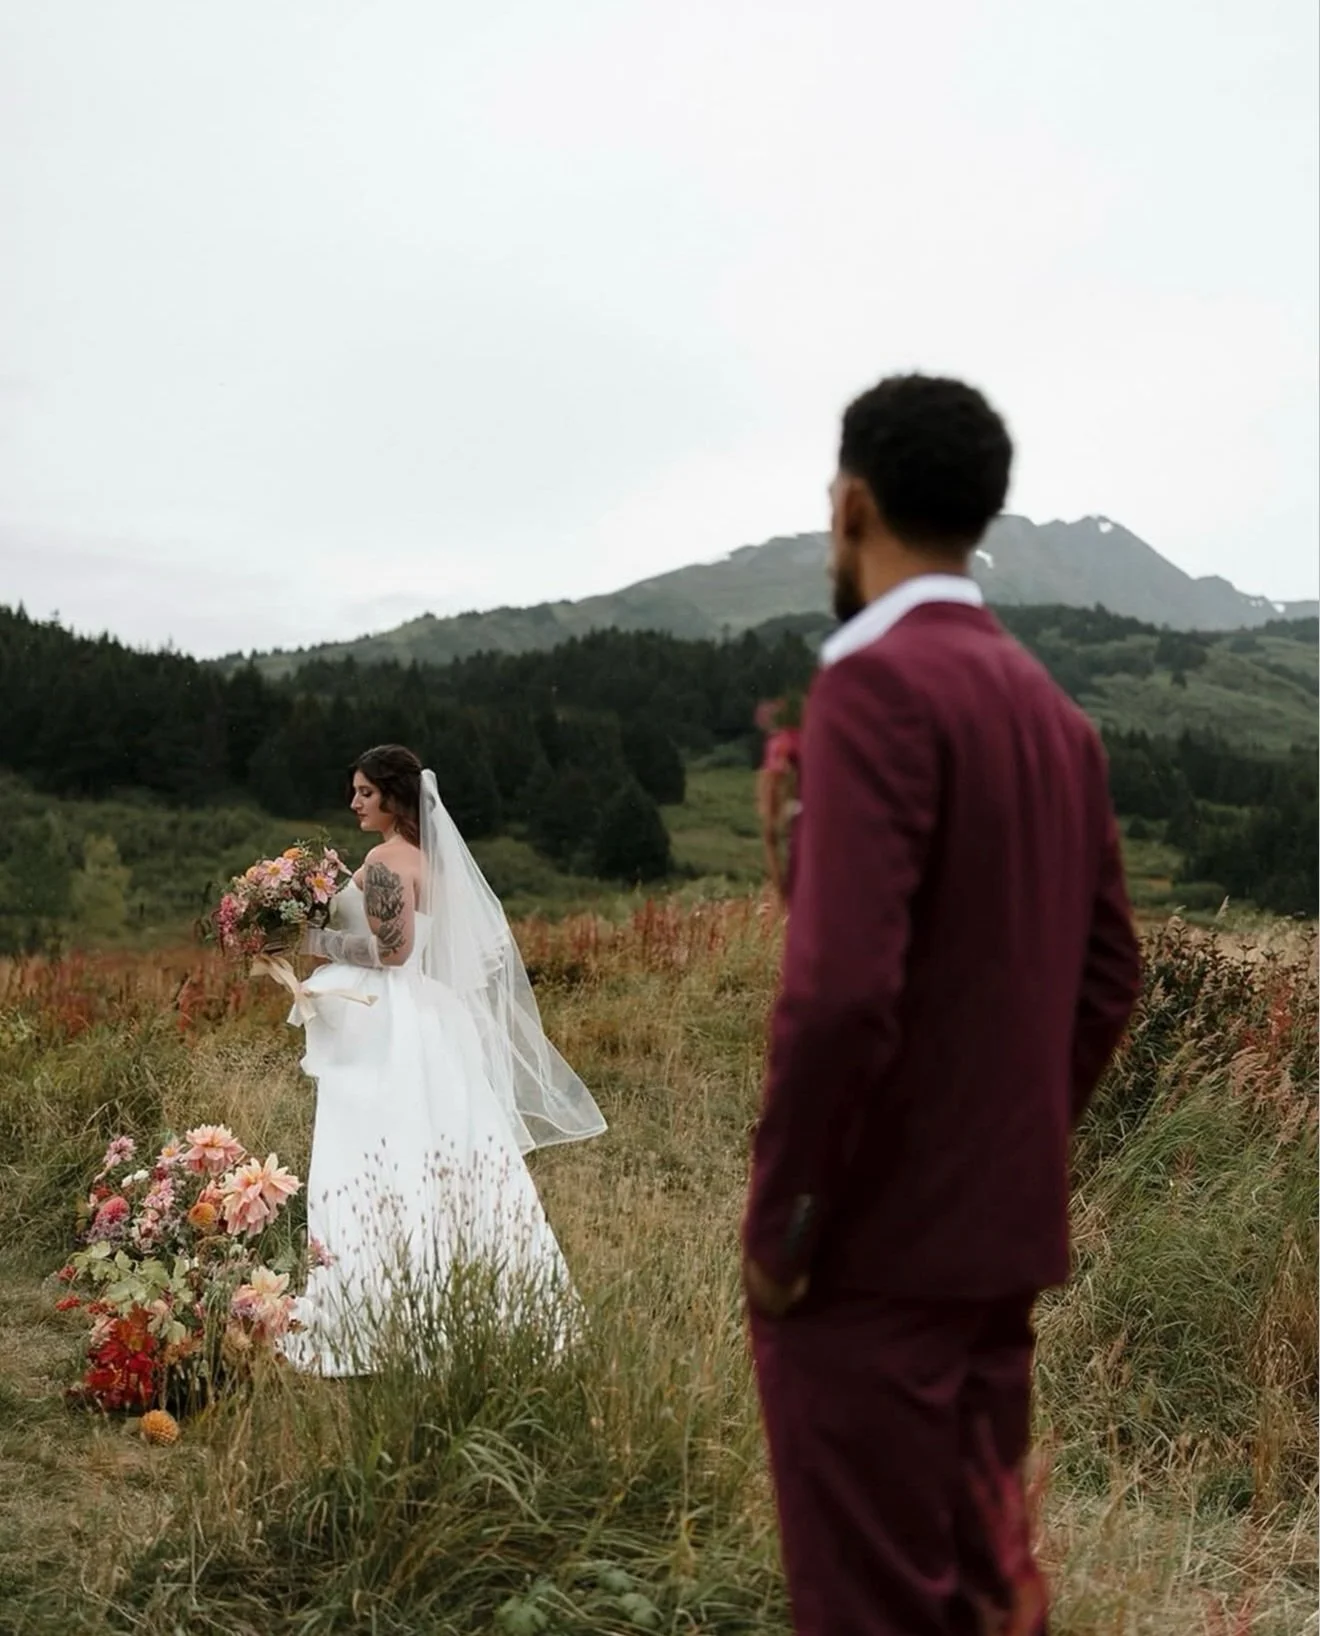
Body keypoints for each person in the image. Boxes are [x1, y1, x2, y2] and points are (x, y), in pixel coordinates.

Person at [741, 374, 1142, 1635]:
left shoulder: (874, 683)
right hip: (996, 1248)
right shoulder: (1058, 716)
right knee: (983, 1597)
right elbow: (1109, 976)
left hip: (870, 1259)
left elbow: (839, 994)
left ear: (852, 506)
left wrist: (786, 1227)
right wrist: (1003, 1145)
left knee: (873, 1603)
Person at [278, 744, 605, 1375]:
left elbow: (392, 951)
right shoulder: (423, 858)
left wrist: (312, 939)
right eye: (354, 791)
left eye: (365, 792)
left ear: (394, 796)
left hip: (383, 1019)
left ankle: (372, 1315)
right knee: (429, 1146)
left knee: (368, 1153)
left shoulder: (386, 860)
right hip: (417, 1013)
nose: (354, 802)